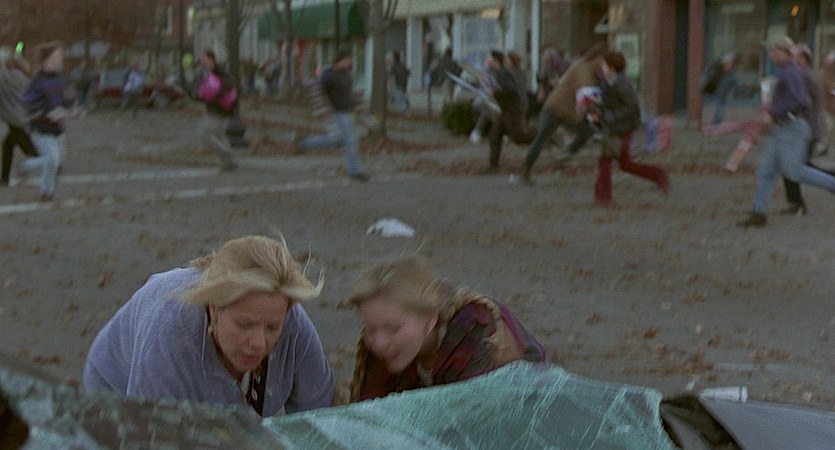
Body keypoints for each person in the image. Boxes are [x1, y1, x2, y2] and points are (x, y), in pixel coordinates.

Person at [83, 234, 335, 416]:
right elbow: (148, 436)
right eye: (244, 324)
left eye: (272, 328)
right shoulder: (168, 343)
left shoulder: (294, 326)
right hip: (117, 391)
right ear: (214, 309)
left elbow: (319, 420)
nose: (259, 343)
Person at [347, 255, 546, 402]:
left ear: (431, 320)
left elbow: (472, 420)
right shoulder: (384, 339)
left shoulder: (473, 331)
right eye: (370, 329)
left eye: (393, 329)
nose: (379, 343)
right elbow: (369, 411)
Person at [738, 36, 835, 228]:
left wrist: (773, 113)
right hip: (784, 127)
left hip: (792, 127)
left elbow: (801, 100)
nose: (770, 54)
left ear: (783, 51)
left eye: (773, 51)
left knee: (794, 171)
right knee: (765, 170)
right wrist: (771, 110)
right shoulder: (787, 71)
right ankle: (759, 213)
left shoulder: (790, 72)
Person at [518, 42, 608, 185]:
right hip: (561, 108)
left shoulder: (582, 65)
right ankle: (563, 155)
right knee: (544, 138)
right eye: (602, 61)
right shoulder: (585, 68)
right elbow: (586, 88)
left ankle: (529, 169)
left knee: (542, 139)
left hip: (559, 107)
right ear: (597, 58)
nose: (603, 64)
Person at [593, 50, 669, 206]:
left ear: (612, 67)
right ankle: (658, 174)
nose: (601, 67)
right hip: (616, 127)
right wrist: (597, 111)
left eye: (604, 65)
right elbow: (610, 105)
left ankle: (603, 196)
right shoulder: (609, 82)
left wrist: (609, 116)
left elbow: (632, 107)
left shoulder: (621, 84)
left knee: (604, 161)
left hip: (623, 129)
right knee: (626, 164)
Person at [295, 49, 369, 182]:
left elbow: (351, 92)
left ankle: (305, 143)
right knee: (350, 141)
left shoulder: (347, 75)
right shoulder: (328, 75)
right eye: (348, 60)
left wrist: (358, 106)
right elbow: (318, 92)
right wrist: (323, 109)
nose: (350, 63)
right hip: (335, 112)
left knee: (338, 140)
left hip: (347, 111)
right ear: (340, 60)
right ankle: (355, 172)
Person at [19, 41, 79, 202]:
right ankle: (46, 192)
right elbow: (27, 102)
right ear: (46, 60)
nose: (60, 60)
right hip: (41, 127)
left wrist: (71, 107)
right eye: (56, 57)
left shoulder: (61, 78)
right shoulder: (37, 81)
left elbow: (66, 99)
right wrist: (45, 113)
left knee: (58, 161)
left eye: (60, 56)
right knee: (53, 159)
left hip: (57, 126)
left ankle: (27, 166)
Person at [779, 44, 829, 217]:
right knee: (800, 166)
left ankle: (797, 204)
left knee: (792, 166)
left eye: (793, 56)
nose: (790, 60)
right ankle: (796, 203)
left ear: (803, 59)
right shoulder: (804, 75)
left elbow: (802, 102)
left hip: (807, 129)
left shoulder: (805, 76)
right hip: (806, 128)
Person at [481, 50, 536, 174]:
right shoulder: (499, 72)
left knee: (518, 137)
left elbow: (510, 90)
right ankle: (493, 166)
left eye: (490, 59)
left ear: (496, 61)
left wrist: (495, 93)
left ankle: (543, 136)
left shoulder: (503, 73)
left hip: (512, 110)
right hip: (505, 109)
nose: (488, 61)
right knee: (495, 135)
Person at [196, 49, 239, 172]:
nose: (202, 62)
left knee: (205, 134)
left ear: (211, 59)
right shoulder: (206, 73)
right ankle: (228, 163)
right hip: (215, 108)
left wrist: (214, 96)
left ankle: (227, 154)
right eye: (201, 60)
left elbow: (227, 85)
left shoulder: (220, 72)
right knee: (219, 136)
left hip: (219, 109)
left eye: (204, 59)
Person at [0, 55, 39, 186]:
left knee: (29, 149)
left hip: (13, 119)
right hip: (20, 117)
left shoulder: (6, 78)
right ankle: (4, 178)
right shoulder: (24, 79)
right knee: (8, 146)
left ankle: (48, 163)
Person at [702, 52, 740, 125]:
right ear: (725, 63)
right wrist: (704, 87)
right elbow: (705, 78)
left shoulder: (731, 74)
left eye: (732, 64)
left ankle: (715, 125)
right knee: (715, 112)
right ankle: (712, 126)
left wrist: (739, 91)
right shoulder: (715, 70)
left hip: (722, 97)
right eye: (729, 63)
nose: (731, 65)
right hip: (712, 95)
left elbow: (736, 84)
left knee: (720, 114)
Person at [819, 51, 835, 155]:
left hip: (832, 107)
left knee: (832, 130)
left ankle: (827, 148)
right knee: (827, 128)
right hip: (826, 107)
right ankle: (821, 148)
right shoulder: (822, 75)